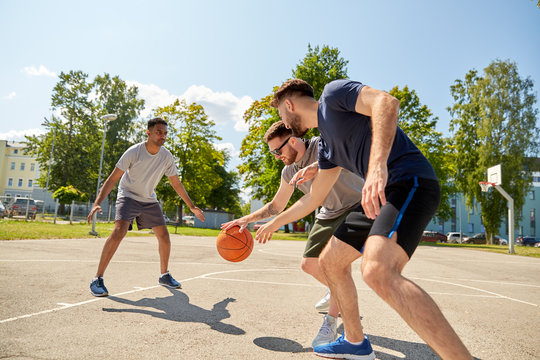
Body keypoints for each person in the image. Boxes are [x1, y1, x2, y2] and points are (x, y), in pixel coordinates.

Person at [255, 79, 473, 360]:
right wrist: (273, 222)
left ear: (289, 104)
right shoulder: (326, 149)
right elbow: (314, 199)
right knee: (329, 262)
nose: (283, 121)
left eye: (281, 115)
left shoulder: (333, 95)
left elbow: (386, 102)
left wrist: (378, 164)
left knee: (377, 270)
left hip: (408, 180)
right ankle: (355, 342)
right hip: (380, 195)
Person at [222, 121, 365, 347]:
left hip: (355, 205)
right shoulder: (289, 170)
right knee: (309, 264)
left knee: (336, 265)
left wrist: (276, 224)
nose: (276, 156)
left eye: (278, 150)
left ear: (293, 140)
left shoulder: (322, 144)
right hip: (329, 211)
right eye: (272, 153)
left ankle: (332, 323)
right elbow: (275, 205)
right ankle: (337, 291)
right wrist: (247, 219)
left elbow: (342, 158)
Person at [87, 117, 205, 297]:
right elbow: (113, 178)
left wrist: (192, 206)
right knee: (119, 231)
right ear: (148, 133)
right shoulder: (134, 152)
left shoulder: (166, 156)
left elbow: (176, 183)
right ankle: (97, 278)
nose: (163, 136)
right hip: (128, 195)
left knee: (164, 236)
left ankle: (164, 275)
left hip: (149, 199)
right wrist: (97, 203)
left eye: (165, 133)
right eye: (159, 132)